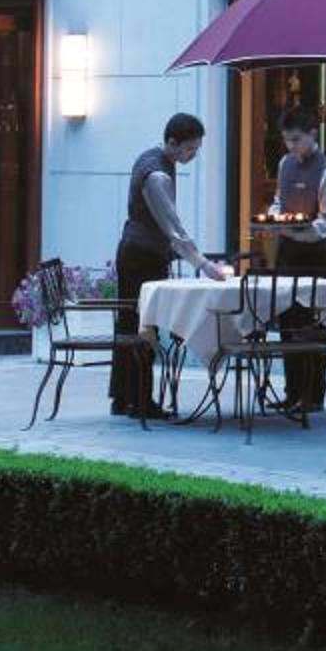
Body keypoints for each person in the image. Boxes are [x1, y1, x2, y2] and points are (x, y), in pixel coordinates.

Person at [112, 112, 226, 420]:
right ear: (173, 143)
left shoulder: (151, 159)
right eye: (190, 149)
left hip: (134, 251)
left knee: (130, 323)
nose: (193, 155)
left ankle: (123, 397)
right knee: (144, 326)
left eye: (196, 149)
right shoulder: (157, 175)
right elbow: (172, 227)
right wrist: (202, 264)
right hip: (142, 257)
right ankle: (140, 400)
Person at [267, 108, 326, 415]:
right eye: (286, 140)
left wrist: (291, 230)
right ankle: (292, 392)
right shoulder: (284, 163)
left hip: (314, 256)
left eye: (296, 139)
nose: (291, 146)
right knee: (287, 321)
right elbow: (278, 201)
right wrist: (273, 218)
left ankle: (313, 395)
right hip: (286, 252)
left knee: (311, 325)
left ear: (313, 134)